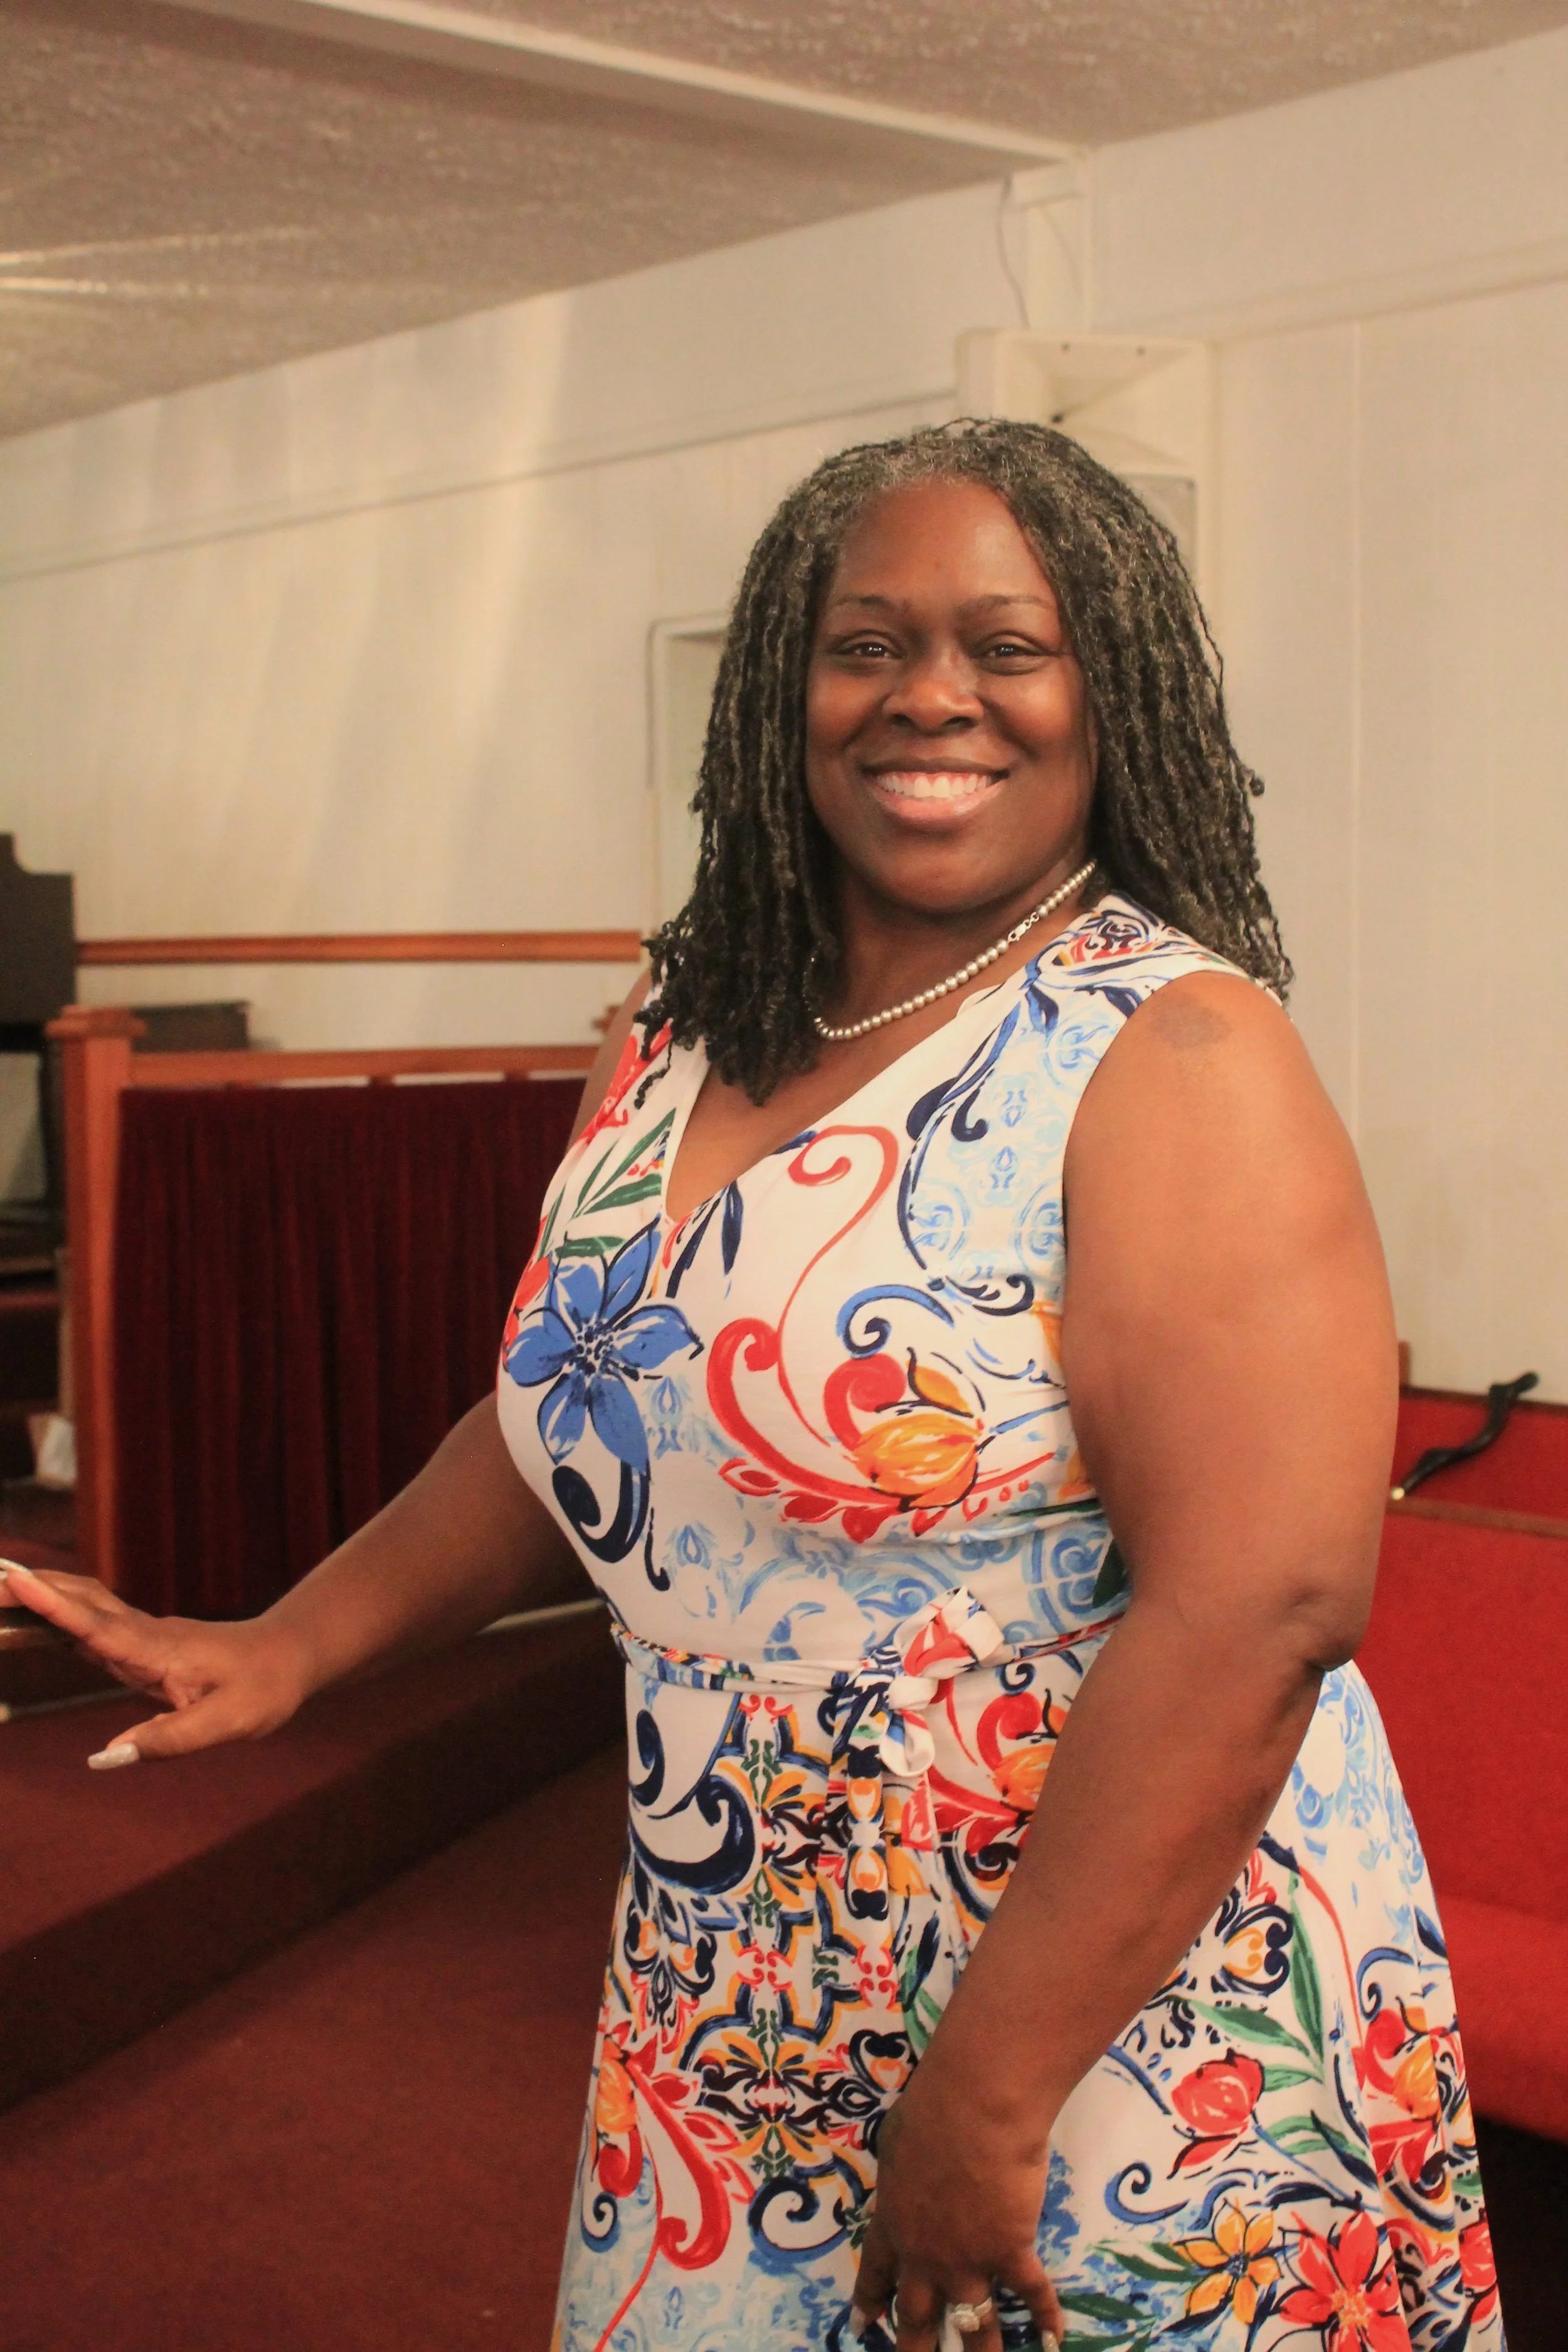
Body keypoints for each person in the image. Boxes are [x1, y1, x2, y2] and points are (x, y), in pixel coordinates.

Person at [3, 421, 1500, 2352]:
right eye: (864, 640)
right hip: (738, 1965)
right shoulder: (671, 1030)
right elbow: (580, 1416)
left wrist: (985, 2092)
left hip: (1107, 1998)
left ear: (1106, 689)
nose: (929, 695)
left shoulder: (1170, 1049)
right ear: (780, 686)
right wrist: (286, 1644)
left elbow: (1258, 1604)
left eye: (1005, 644)